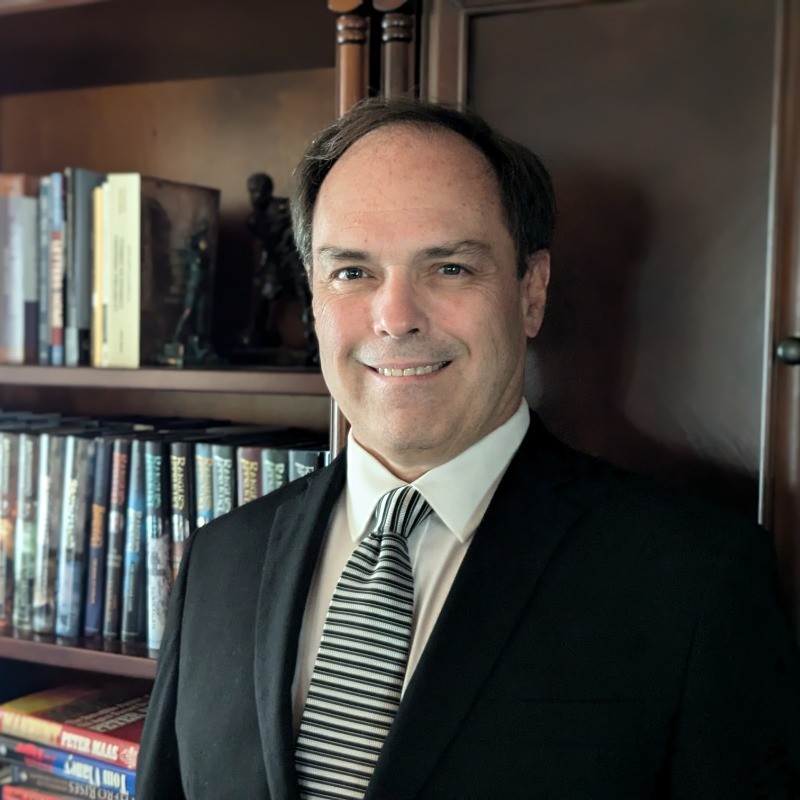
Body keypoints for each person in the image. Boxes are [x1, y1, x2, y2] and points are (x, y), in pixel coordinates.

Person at [137, 98, 800, 799]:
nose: (395, 318)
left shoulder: (697, 579)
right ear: (313, 296)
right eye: (352, 272)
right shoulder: (218, 562)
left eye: (450, 268)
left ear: (531, 293)